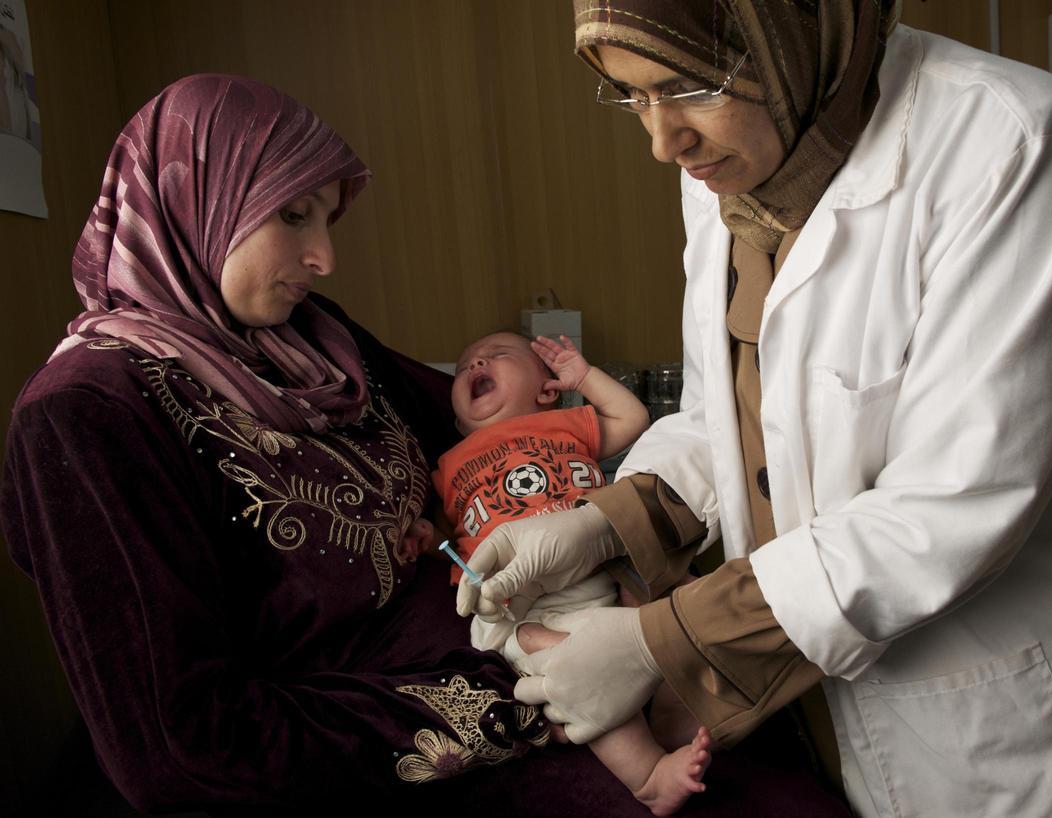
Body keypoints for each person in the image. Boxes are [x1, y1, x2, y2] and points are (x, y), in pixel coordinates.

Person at [1, 72, 854, 817]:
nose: (325, 256)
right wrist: (527, 703)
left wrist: (600, 549)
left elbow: (479, 431)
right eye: (292, 215)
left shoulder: (307, 338)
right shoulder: (88, 416)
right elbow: (179, 746)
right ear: (192, 201)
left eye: (327, 219)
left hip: (529, 644)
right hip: (414, 742)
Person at [456, 2, 1052, 815]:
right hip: (819, 702)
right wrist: (606, 519)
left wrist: (659, 642)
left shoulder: (1016, 142)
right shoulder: (727, 173)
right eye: (630, 95)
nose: (663, 142)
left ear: (790, 31)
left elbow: (956, 502)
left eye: (692, 86)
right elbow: (722, 417)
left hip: (1014, 718)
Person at [432, 329, 710, 815]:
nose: (475, 364)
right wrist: (419, 534)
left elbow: (633, 417)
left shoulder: (567, 424)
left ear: (544, 390)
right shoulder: (450, 464)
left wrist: (584, 377)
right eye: (463, 368)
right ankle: (646, 777)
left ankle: (669, 707)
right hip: (521, 600)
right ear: (457, 419)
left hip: (600, 565)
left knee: (684, 610)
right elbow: (445, 529)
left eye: (495, 356)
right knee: (578, 665)